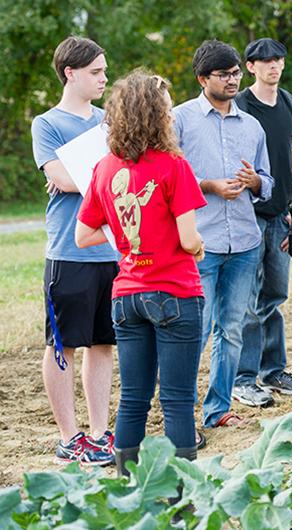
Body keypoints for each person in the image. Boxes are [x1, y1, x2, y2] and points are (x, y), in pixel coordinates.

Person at [75, 71, 207, 475]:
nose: (172, 114)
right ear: (155, 116)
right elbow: (188, 238)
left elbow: (83, 235)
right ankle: (181, 494)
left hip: (127, 295)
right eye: (167, 108)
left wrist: (126, 238)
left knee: (133, 398)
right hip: (175, 292)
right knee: (177, 400)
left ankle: (128, 489)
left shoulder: (104, 168)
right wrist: (199, 247)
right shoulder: (174, 165)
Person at [173, 40, 274, 429]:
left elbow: (268, 181)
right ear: (203, 79)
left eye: (235, 73)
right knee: (195, 331)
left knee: (231, 330)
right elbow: (166, 180)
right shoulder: (180, 120)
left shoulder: (252, 125)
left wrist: (255, 182)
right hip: (200, 244)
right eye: (223, 75)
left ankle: (217, 410)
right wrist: (208, 185)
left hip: (245, 242)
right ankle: (182, 412)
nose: (233, 80)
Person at [31, 36, 116, 466]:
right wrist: (90, 175)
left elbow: (119, 175)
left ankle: (100, 433)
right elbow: (62, 179)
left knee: (103, 344)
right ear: (70, 73)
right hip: (69, 253)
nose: (104, 79)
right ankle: (69, 437)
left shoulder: (109, 122)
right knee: (62, 346)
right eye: (96, 72)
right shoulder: (46, 124)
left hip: (110, 251)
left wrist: (82, 175)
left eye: (104, 71)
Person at [234, 37, 292, 408]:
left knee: (275, 294)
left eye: (278, 59)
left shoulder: (289, 102)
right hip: (247, 214)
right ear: (251, 66)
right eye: (265, 61)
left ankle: (273, 370)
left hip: (281, 215)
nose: (273, 66)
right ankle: (243, 378)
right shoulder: (239, 104)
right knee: (248, 299)